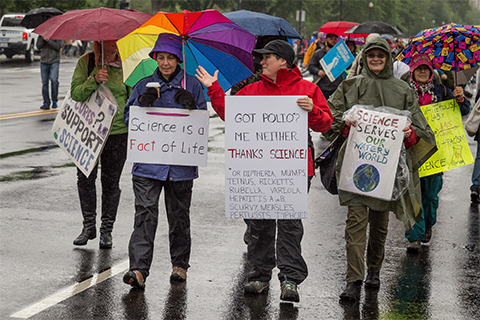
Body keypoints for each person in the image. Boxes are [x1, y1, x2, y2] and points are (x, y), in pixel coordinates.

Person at [195, 40, 333, 302]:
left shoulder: (308, 89)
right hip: (260, 169)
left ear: (282, 60)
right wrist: (213, 89)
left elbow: (326, 123)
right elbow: (229, 113)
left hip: (295, 168)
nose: (261, 62)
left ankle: (290, 279)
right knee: (260, 223)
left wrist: (312, 109)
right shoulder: (252, 90)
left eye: (266, 57)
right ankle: (259, 275)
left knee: (290, 224)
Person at [327, 36, 436, 302]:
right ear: (364, 58)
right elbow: (330, 117)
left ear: (388, 59)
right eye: (371, 55)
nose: (376, 59)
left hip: (386, 171)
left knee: (379, 224)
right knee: (354, 222)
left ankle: (374, 270)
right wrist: (344, 123)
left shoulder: (402, 90)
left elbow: (422, 130)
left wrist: (409, 134)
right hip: (355, 166)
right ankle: (353, 279)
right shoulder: (350, 85)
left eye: (381, 55)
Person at [122, 33, 207, 289]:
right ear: (155, 58)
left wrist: (192, 106)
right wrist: (141, 104)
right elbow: (129, 119)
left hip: (181, 167)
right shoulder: (143, 85)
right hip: (148, 165)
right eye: (161, 57)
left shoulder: (192, 85)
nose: (166, 63)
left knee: (179, 216)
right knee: (145, 214)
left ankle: (180, 265)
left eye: (171, 58)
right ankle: (138, 269)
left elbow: (202, 122)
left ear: (178, 59)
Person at [404, 54, 470, 253]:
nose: (423, 72)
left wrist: (460, 98)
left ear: (432, 71)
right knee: (413, 194)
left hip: (436, 153)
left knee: (431, 196)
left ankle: (427, 226)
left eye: (426, 68)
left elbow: (463, 110)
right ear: (413, 71)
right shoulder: (405, 92)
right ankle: (415, 236)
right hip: (412, 150)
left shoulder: (442, 90)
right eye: (419, 68)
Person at [71, 40, 131, 249]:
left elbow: (133, 100)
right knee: (85, 177)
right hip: (89, 131)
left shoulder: (127, 65)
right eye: (109, 40)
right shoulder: (86, 62)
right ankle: (89, 226)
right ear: (99, 41)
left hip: (117, 133)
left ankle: (107, 231)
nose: (114, 44)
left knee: (111, 182)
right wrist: (94, 80)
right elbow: (75, 93)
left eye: (117, 40)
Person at [307, 33, 343, 100]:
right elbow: (311, 66)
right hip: (323, 87)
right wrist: (318, 71)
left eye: (335, 39)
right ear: (326, 40)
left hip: (337, 87)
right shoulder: (318, 53)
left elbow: (348, 67)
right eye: (331, 39)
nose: (333, 41)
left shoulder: (340, 54)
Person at [37, 36, 62, 110]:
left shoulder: (58, 34)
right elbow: (38, 46)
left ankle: (54, 100)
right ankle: (46, 102)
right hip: (44, 61)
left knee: (54, 79)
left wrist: (48, 41)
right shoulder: (42, 34)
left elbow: (58, 46)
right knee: (44, 83)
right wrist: (42, 39)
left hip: (54, 61)